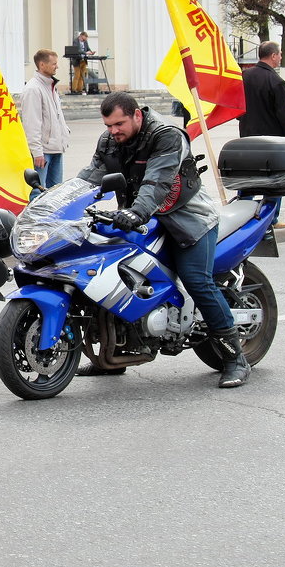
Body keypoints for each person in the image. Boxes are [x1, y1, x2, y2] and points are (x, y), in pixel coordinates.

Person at [76, 92, 250, 388]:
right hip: (143, 221)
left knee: (197, 280)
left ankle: (235, 359)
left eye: (119, 123)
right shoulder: (109, 141)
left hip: (188, 222)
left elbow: (157, 182)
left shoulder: (166, 136)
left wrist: (136, 212)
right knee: (107, 274)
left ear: (137, 115)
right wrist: (53, 201)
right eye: (109, 125)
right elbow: (88, 178)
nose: (113, 130)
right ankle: (111, 356)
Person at [239, 41, 285, 228]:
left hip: (247, 138)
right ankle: (270, 219)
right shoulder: (276, 81)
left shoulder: (244, 77)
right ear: (273, 56)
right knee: (274, 181)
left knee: (248, 177)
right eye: (279, 54)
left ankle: (241, 217)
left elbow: (236, 107)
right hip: (272, 141)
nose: (280, 57)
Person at [21, 48, 70, 195]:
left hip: (56, 147)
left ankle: (52, 218)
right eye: (54, 63)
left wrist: (64, 135)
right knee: (37, 192)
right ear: (42, 65)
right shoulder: (33, 89)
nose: (57, 66)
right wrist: (37, 152)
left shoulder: (50, 86)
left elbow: (56, 116)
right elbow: (32, 123)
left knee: (55, 193)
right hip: (43, 151)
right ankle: (35, 218)